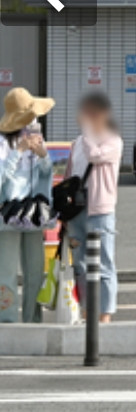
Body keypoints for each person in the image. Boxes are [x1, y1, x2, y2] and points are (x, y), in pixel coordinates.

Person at [66, 93, 123, 324]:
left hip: (100, 206)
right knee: (80, 262)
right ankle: (87, 312)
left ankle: (105, 314)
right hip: (77, 207)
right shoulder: (78, 142)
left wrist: (89, 133)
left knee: (103, 262)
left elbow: (95, 156)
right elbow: (70, 174)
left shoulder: (112, 140)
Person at [0, 87, 55, 324]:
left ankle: (33, 319)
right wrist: (17, 152)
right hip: (7, 214)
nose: (35, 121)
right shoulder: (3, 144)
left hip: (33, 214)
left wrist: (42, 154)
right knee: (7, 272)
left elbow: (47, 175)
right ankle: (8, 319)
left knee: (35, 271)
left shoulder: (37, 140)